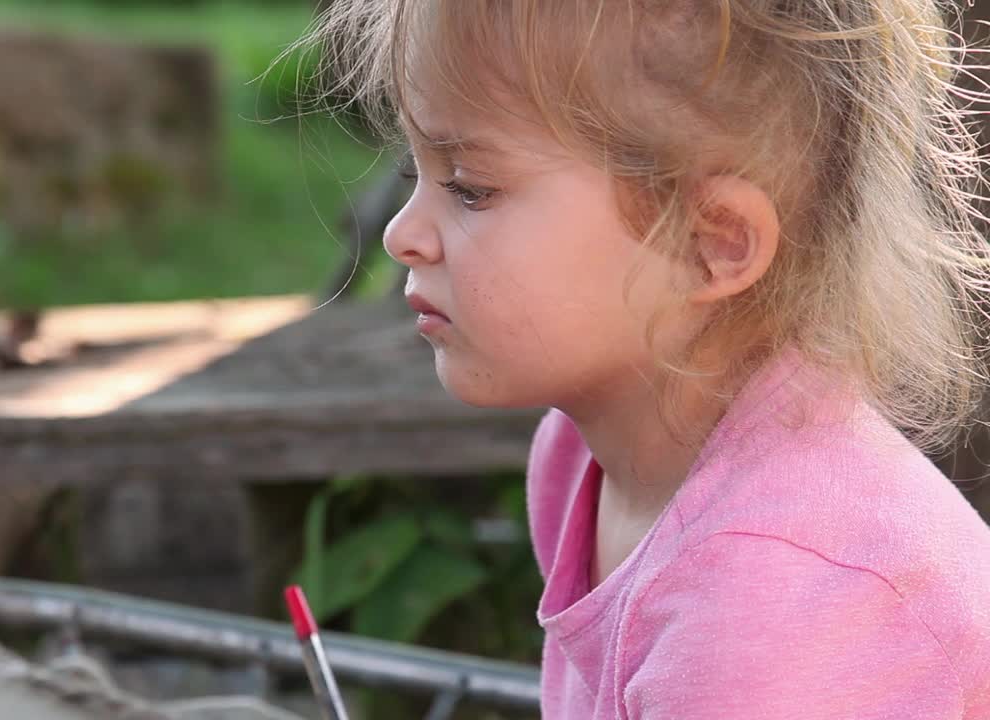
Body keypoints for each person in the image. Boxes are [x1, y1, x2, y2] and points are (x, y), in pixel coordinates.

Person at [291, 0, 990, 716]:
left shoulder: (768, 611)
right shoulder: (582, 457)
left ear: (711, 241)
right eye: (417, 172)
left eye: (471, 188)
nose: (402, 236)